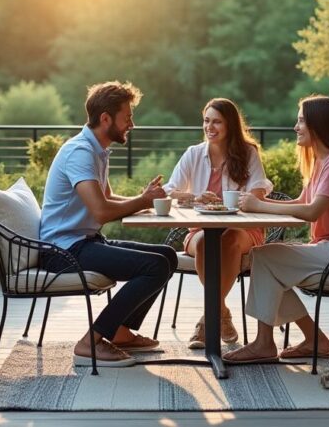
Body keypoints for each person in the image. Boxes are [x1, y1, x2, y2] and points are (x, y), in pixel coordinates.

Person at [221, 95, 329, 364]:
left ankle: (265, 344)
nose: (296, 126)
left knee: (265, 257)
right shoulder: (322, 162)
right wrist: (257, 204)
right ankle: (312, 339)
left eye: (301, 120)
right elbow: (302, 203)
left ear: (318, 124)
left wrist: (260, 206)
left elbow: (312, 211)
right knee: (264, 258)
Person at [39, 81, 178, 367]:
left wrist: (145, 200)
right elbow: (101, 211)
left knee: (167, 256)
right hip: (63, 251)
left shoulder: (97, 150)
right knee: (154, 266)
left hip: (84, 242)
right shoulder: (80, 152)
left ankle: (121, 332)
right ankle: (91, 341)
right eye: (127, 117)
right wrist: (143, 200)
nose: (132, 124)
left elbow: (108, 197)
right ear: (106, 118)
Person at [164, 98, 272, 348]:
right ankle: (220, 312)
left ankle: (206, 320)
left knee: (230, 238)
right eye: (206, 120)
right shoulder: (193, 154)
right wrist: (193, 197)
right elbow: (169, 190)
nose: (209, 127)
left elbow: (259, 188)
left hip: (242, 230)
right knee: (204, 243)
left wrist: (249, 198)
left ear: (230, 125)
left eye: (217, 122)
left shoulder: (248, 153)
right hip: (201, 230)